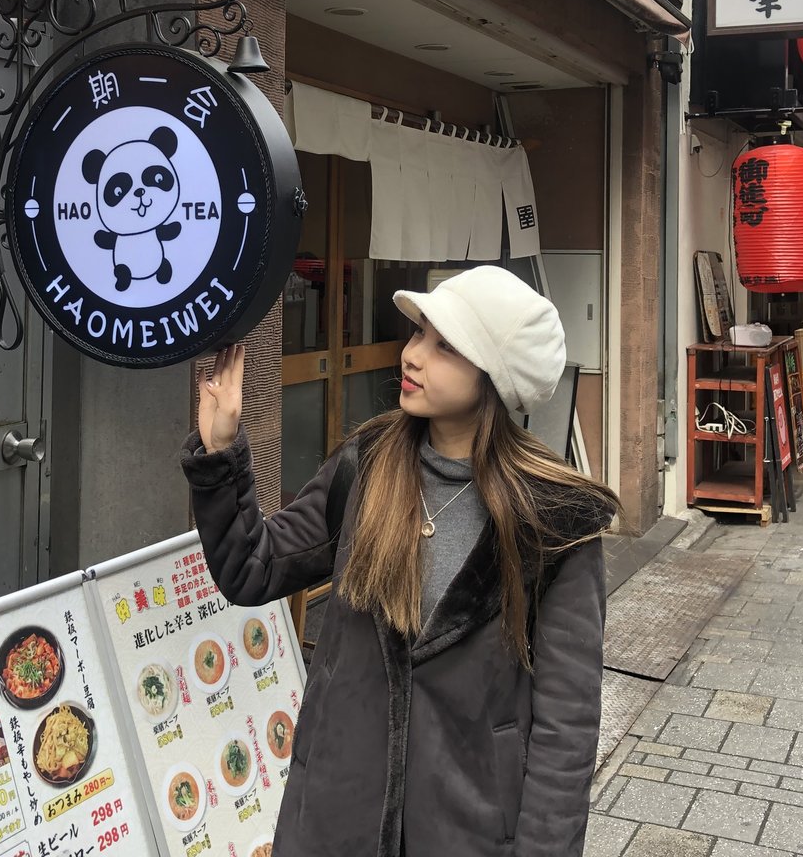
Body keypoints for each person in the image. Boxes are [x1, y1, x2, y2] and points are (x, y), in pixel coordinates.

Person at [181, 267, 618, 856]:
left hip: (471, 829)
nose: (412, 354)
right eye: (418, 333)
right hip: (336, 817)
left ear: (495, 375)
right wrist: (220, 453)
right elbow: (252, 566)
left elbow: (566, 732)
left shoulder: (554, 521)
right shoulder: (368, 467)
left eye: (444, 345)